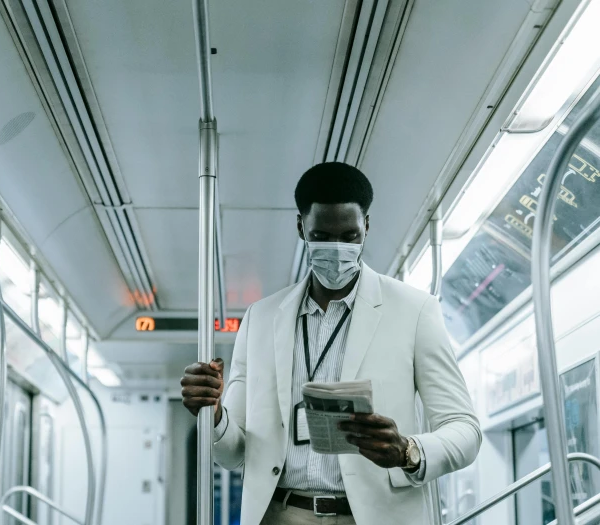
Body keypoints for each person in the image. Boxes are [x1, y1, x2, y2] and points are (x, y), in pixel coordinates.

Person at [181, 162, 481, 525]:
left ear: (366, 227)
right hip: (282, 513)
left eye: (350, 236)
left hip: (373, 516)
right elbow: (233, 454)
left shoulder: (415, 311)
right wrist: (212, 415)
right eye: (321, 236)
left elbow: (465, 429)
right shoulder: (260, 319)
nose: (337, 248)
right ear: (301, 228)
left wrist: (409, 450)